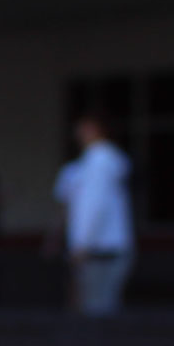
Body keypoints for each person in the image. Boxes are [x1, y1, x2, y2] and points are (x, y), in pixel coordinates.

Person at [53, 112, 134, 317]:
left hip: (100, 248)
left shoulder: (101, 160)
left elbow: (94, 205)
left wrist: (82, 244)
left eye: (85, 128)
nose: (79, 133)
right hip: (102, 246)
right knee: (92, 305)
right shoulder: (90, 162)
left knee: (96, 311)